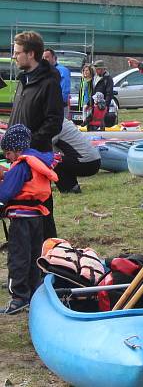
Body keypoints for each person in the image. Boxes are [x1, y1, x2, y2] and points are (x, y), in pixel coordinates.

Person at [9, 31, 63, 240]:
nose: (14, 56)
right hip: (18, 158)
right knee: (20, 206)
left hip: (36, 157)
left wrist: (27, 144)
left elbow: (54, 122)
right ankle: (23, 247)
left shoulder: (49, 83)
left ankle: (49, 254)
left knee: (42, 209)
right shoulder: (24, 81)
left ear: (31, 54)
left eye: (17, 53)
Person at [0, 124, 58, 315]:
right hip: (36, 217)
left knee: (18, 257)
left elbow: (7, 192)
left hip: (20, 219)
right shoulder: (37, 160)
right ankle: (34, 292)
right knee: (34, 256)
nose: (7, 157)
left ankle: (18, 297)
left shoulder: (21, 165)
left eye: (8, 153)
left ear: (17, 150)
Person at [52, 118, 101, 194]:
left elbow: (41, 146)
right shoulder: (62, 120)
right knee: (57, 158)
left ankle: (68, 189)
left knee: (52, 160)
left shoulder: (54, 124)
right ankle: (73, 187)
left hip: (87, 163)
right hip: (94, 160)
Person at [43, 49, 71, 118]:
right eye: (43, 58)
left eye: (47, 57)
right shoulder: (43, 71)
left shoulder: (63, 70)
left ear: (54, 58)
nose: (44, 59)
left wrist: (59, 103)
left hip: (59, 106)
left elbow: (65, 89)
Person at [92, 60, 116, 127]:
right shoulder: (95, 77)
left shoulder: (108, 79)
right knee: (93, 122)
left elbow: (109, 93)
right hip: (94, 103)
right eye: (95, 69)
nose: (96, 71)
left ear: (103, 69)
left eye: (98, 69)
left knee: (102, 122)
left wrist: (105, 105)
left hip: (102, 104)